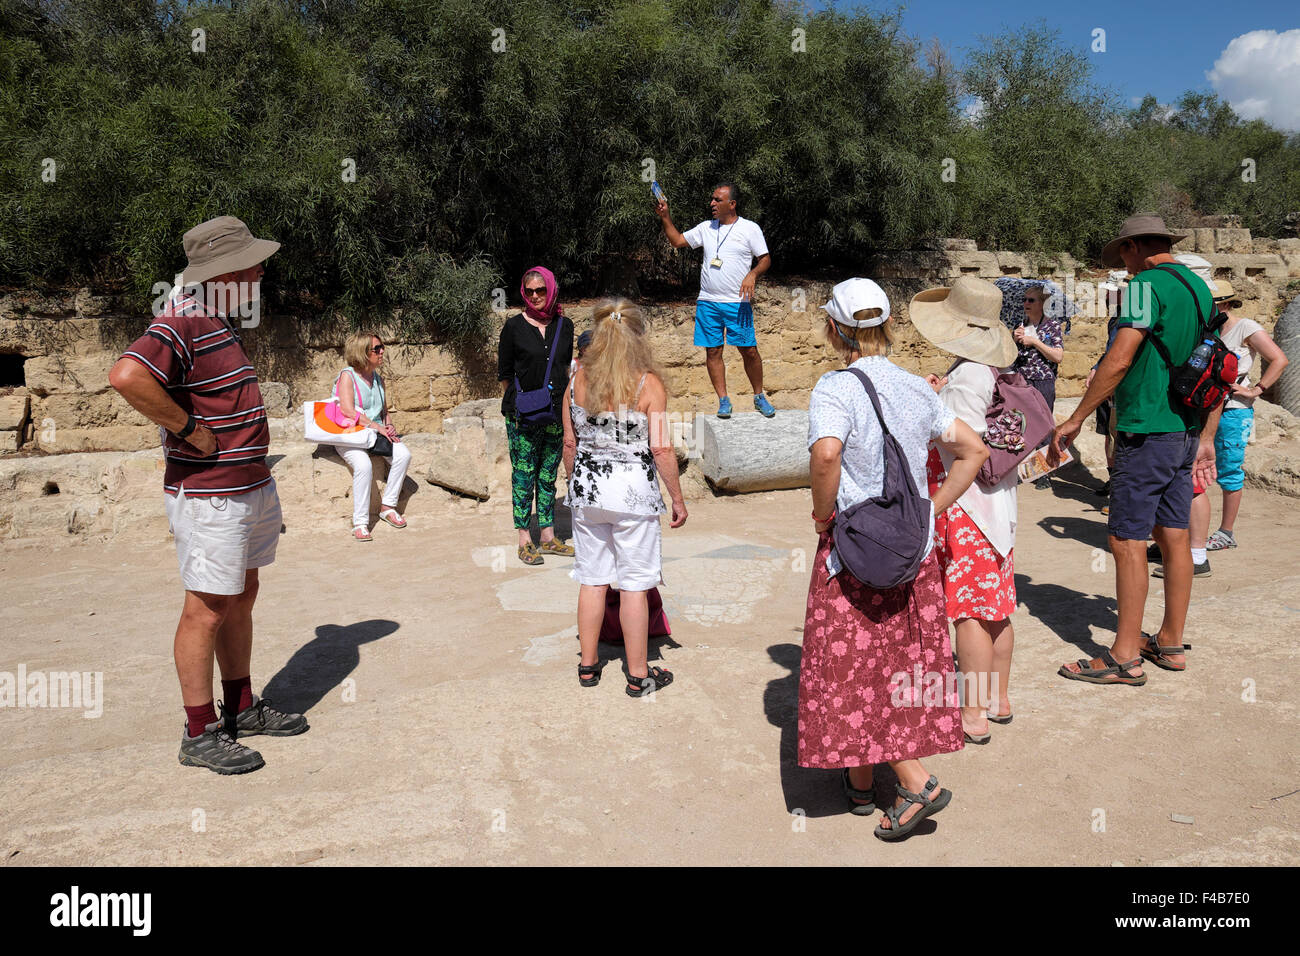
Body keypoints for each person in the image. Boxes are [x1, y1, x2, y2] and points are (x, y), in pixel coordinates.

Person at [108, 215, 306, 775]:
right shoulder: (183, 319)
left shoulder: (218, 317)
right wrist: (189, 430)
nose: (263, 269)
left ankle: (241, 705)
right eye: (253, 261)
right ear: (224, 271)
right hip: (211, 493)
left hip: (246, 486)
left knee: (240, 595)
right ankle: (199, 732)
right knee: (206, 608)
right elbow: (126, 375)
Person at [800, 277, 988, 840]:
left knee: (854, 664)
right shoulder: (914, 388)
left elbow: (827, 453)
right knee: (895, 658)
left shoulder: (833, 388)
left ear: (835, 329)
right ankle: (861, 782)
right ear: (886, 326)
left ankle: (915, 781)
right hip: (910, 549)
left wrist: (822, 516)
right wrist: (930, 510)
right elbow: (973, 448)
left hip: (855, 550)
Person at [1050, 214, 1222, 683]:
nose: (1124, 268)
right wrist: (1207, 436)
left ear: (1133, 248)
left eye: (1123, 255)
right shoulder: (1198, 288)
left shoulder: (1144, 288)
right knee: (1175, 536)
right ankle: (1169, 642)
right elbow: (1218, 367)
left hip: (1146, 428)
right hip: (1185, 428)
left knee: (1126, 540)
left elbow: (1121, 357)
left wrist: (1077, 416)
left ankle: (1123, 656)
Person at [911, 276, 1021, 742]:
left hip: (966, 507)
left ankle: (972, 713)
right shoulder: (995, 371)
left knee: (969, 611)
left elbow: (961, 442)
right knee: (997, 607)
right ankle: (997, 698)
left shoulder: (966, 376)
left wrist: (928, 404)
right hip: (999, 508)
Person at [563, 298, 687, 696]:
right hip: (633, 494)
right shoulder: (646, 383)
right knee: (634, 584)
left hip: (587, 491)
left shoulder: (576, 380)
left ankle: (587, 666)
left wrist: (575, 483)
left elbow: (570, 443)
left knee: (592, 579)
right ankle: (638, 675)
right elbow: (662, 449)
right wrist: (678, 499)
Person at [654, 182, 775, 418]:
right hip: (708, 302)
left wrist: (753, 274)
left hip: (737, 302)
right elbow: (678, 241)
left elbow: (765, 259)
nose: (712, 204)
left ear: (732, 204)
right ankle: (723, 400)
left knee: (749, 350)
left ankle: (759, 396)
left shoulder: (750, 229)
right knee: (713, 352)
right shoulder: (706, 228)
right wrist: (666, 217)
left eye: (717, 200)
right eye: (712, 199)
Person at [1198, 279, 1288, 555]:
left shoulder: (1245, 328)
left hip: (1233, 411)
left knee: (1229, 471)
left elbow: (1279, 359)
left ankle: (1226, 532)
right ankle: (1191, 533)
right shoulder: (1206, 329)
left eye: (1211, 304)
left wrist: (1256, 390)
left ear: (1225, 304)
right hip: (1204, 410)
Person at [498, 267, 576, 565]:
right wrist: (524, 400)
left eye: (540, 290)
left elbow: (567, 370)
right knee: (523, 475)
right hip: (522, 415)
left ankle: (547, 536)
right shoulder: (514, 327)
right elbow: (505, 374)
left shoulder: (564, 326)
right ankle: (524, 538)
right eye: (529, 291)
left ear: (551, 290)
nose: (534, 296)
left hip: (557, 413)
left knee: (547, 476)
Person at [332, 331, 412, 541]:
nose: (382, 351)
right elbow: (348, 411)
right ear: (363, 353)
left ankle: (388, 506)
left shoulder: (378, 380)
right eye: (377, 349)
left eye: (381, 347)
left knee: (403, 454)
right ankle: (360, 522)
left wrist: (389, 427)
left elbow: (384, 411)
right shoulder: (347, 376)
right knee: (363, 466)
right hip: (350, 434)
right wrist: (378, 426)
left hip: (372, 434)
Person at [1012, 282, 1065, 489]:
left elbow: (1058, 356)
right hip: (1021, 380)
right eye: (1024, 299)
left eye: (1031, 300)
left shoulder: (1052, 326)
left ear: (1042, 303)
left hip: (1043, 380)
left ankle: (1043, 472)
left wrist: (1035, 342)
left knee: (1043, 426)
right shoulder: (1019, 325)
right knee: (1020, 424)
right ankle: (1023, 470)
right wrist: (1012, 340)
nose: (1026, 303)